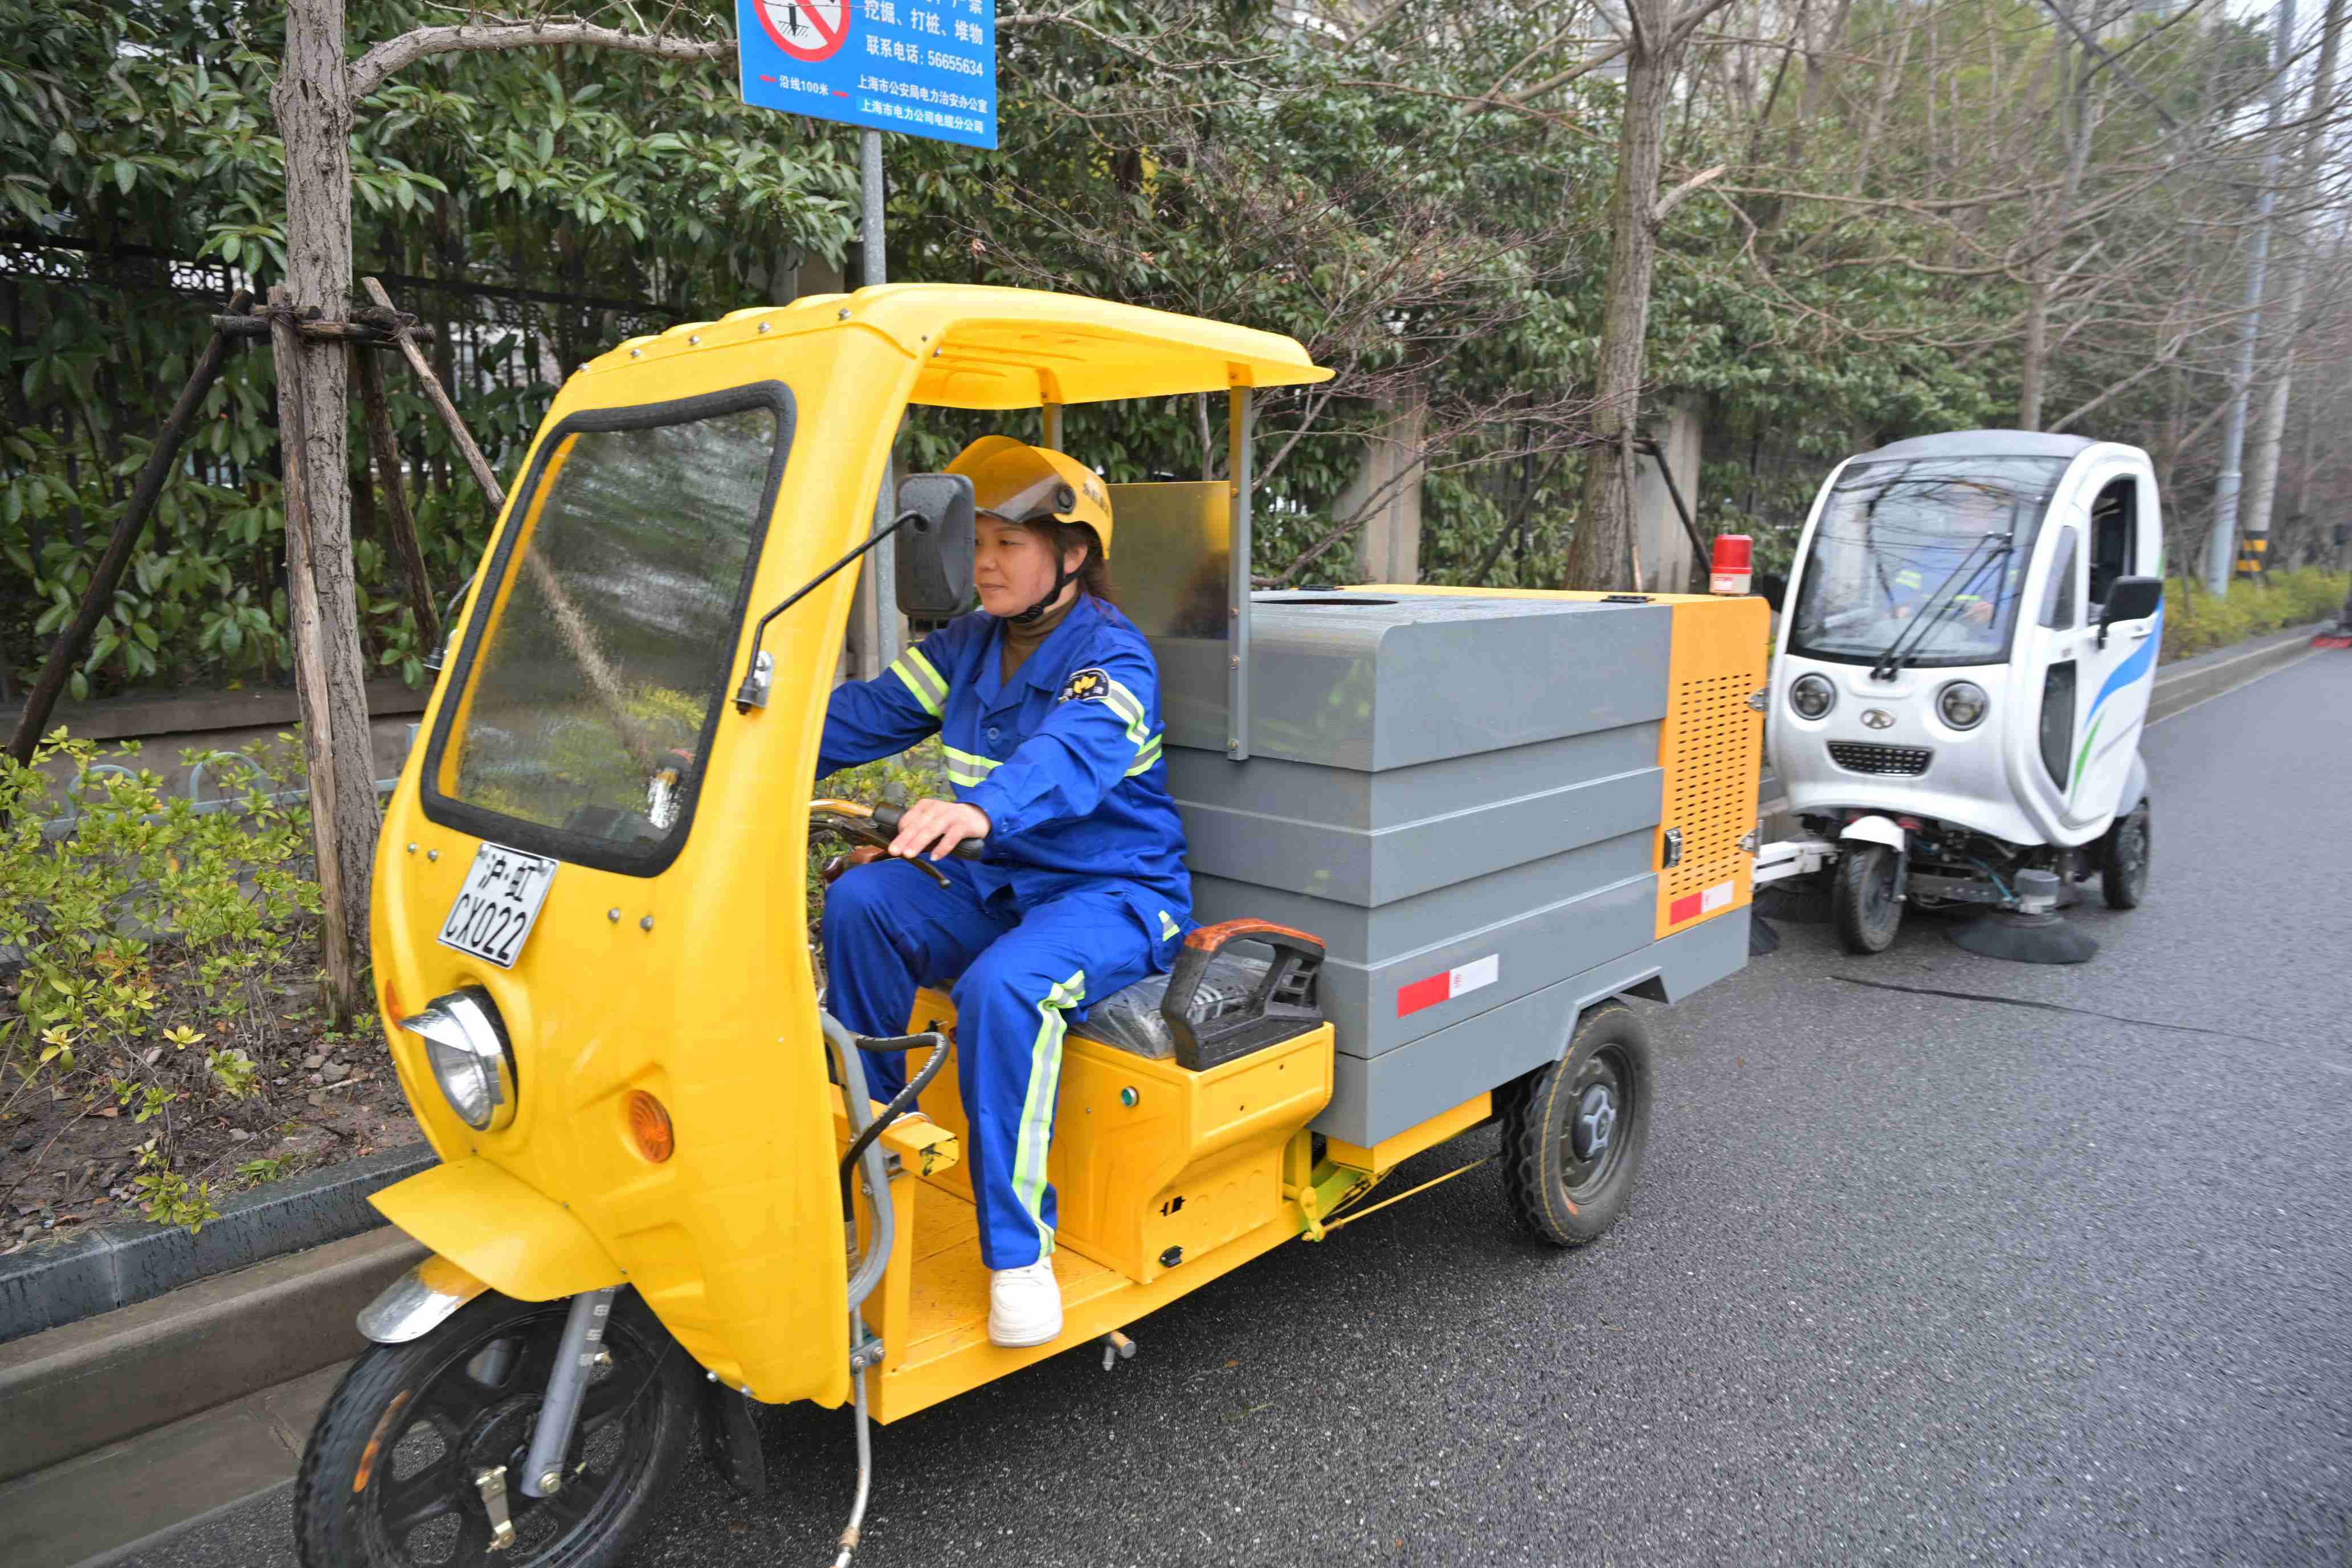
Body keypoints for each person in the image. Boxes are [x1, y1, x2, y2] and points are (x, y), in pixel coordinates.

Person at [815, 436, 1192, 1348]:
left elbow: (1067, 755)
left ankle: (1020, 1257)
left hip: (1113, 895)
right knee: (864, 904)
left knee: (1004, 987)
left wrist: (980, 809)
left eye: (1009, 544)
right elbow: (865, 715)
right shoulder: (967, 645)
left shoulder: (1113, 661)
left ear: (1072, 555)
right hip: (1001, 885)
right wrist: (734, 740)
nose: (984, 562)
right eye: (976, 542)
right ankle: (879, 1151)